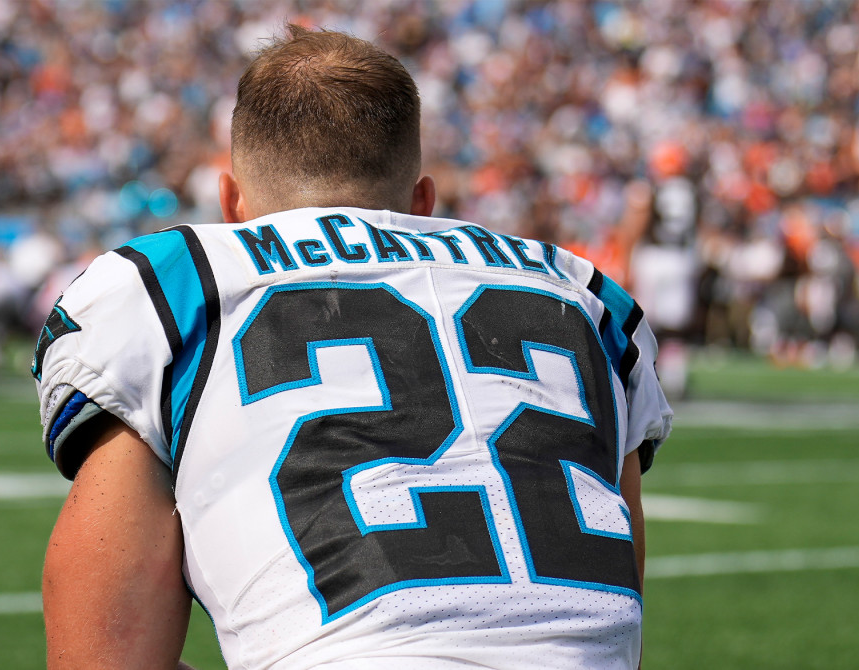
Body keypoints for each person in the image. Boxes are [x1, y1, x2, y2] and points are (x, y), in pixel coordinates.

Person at [34, 25, 672, 670]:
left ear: (232, 202)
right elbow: (620, 600)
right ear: (423, 202)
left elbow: (104, 653)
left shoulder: (174, 282)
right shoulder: (586, 293)